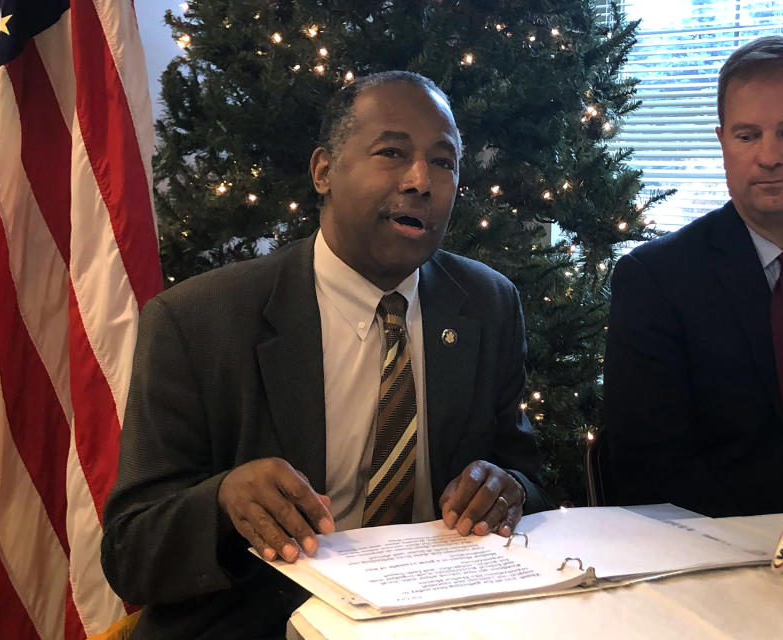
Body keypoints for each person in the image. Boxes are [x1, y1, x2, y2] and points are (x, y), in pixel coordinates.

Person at [101, 71, 549, 639]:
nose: (422, 181)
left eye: (445, 162)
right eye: (392, 152)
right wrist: (223, 501)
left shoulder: (488, 305)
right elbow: (129, 551)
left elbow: (527, 482)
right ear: (323, 171)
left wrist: (504, 488)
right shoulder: (197, 320)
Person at [603, 36, 783, 517]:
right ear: (724, 145)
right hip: (732, 561)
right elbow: (649, 475)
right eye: (747, 136)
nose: (768, 156)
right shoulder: (656, 282)